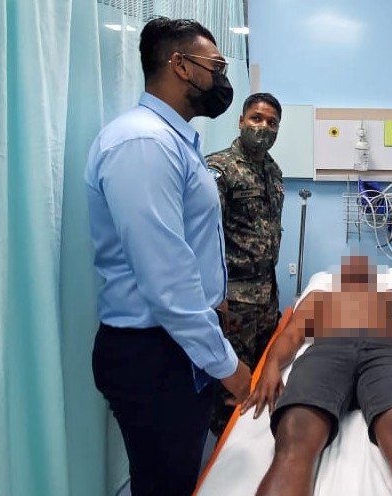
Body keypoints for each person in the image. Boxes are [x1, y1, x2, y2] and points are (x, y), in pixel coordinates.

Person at [86, 17, 252, 496]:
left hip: (173, 344)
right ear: (181, 65)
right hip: (152, 352)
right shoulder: (145, 144)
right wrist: (228, 366)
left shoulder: (173, 140)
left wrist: (216, 299)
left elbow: (188, 242)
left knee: (177, 477)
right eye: (216, 66)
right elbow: (165, 280)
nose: (222, 78)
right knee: (165, 484)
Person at [243, 255, 392, 496]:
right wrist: (272, 365)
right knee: (295, 432)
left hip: (382, 353)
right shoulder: (321, 298)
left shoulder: (390, 298)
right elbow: (292, 334)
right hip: (327, 351)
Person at [206, 93, 285, 436]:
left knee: (263, 379)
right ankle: (224, 453)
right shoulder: (219, 169)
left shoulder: (273, 171)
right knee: (230, 390)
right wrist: (215, 295)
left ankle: (256, 448)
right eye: (256, 118)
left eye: (272, 122)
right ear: (241, 121)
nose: (263, 127)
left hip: (266, 296)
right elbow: (204, 236)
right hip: (232, 300)